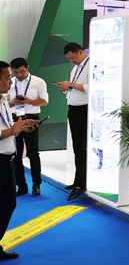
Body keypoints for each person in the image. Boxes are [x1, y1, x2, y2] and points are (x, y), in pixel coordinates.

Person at [0, 61, 40, 265]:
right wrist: (14, 130)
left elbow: (7, 128)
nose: (11, 81)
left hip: (7, 160)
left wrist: (21, 127)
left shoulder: (3, 101)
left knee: (8, 204)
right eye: (7, 77)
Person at [7, 58, 48, 196]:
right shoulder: (9, 82)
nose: (19, 75)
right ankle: (21, 186)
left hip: (32, 118)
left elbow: (44, 101)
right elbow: (4, 101)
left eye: (22, 71)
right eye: (16, 72)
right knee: (16, 154)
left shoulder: (38, 82)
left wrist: (28, 101)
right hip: (14, 119)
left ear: (27, 68)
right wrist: (12, 102)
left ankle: (36, 184)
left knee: (32, 153)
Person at [56, 43, 90, 202]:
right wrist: (66, 87)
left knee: (81, 148)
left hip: (84, 110)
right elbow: (75, 87)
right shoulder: (76, 68)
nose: (71, 60)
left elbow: (93, 86)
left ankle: (81, 183)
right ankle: (78, 180)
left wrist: (71, 85)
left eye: (72, 57)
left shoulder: (92, 65)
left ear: (80, 51)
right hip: (74, 109)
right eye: (69, 58)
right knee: (77, 147)